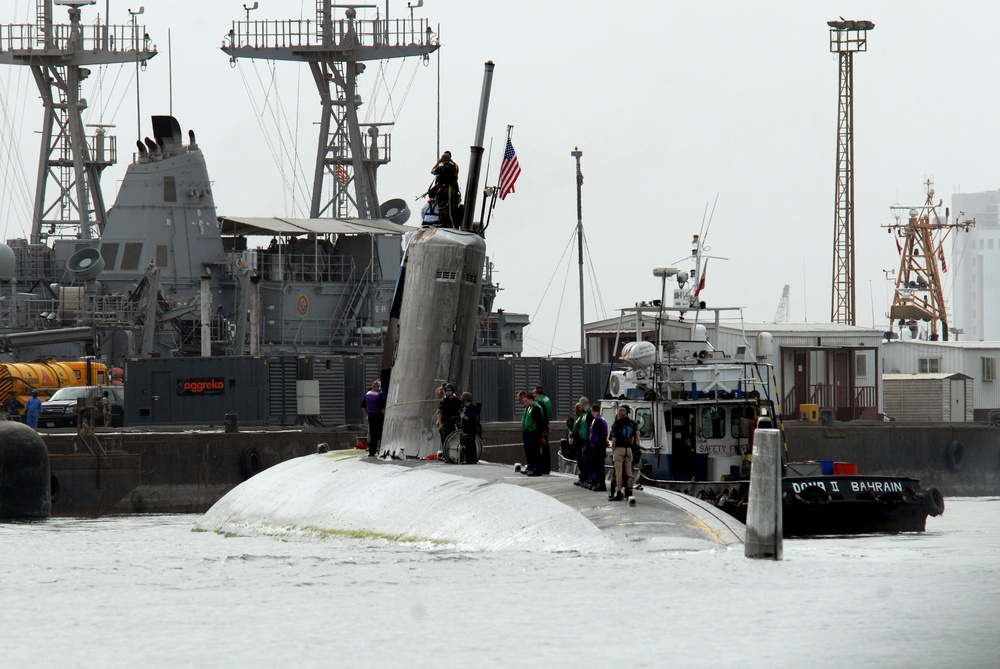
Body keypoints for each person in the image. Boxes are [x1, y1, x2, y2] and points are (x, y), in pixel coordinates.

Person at [609, 405, 639, 501]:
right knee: (629, 473)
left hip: (619, 449)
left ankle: (618, 493)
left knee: (618, 473)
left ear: (618, 414)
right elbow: (633, 439)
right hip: (629, 449)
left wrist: (614, 452)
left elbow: (613, 442)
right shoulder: (631, 424)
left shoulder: (616, 424)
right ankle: (630, 493)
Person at [520, 389, 548, 476]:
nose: (525, 403)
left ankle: (537, 469)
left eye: (526, 401)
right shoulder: (529, 408)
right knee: (530, 451)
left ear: (531, 399)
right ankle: (532, 467)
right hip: (529, 432)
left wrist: (540, 433)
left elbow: (540, 422)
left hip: (535, 433)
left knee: (535, 452)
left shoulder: (536, 408)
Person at [430, 151, 461, 228]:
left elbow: (432, 171)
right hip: (453, 189)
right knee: (450, 206)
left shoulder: (443, 167)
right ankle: (449, 222)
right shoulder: (455, 166)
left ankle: (444, 222)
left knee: (443, 205)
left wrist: (438, 163)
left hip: (444, 190)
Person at [588, 403, 609, 492]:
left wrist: (602, 445)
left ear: (593, 411)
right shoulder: (601, 419)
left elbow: (600, 434)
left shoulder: (598, 420)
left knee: (599, 465)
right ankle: (600, 483)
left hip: (598, 445)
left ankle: (600, 484)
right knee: (599, 465)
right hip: (599, 445)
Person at [532, 386, 552, 475]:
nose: (534, 396)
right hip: (546, 425)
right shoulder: (546, 399)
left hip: (542, 427)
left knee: (542, 448)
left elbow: (542, 415)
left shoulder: (540, 402)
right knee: (545, 448)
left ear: (537, 393)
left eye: (534, 394)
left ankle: (544, 467)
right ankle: (546, 466)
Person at [361, 379, 385, 457]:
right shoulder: (379, 395)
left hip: (370, 416)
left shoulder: (368, 394)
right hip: (378, 415)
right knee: (381, 432)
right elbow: (382, 408)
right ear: (378, 387)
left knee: (372, 433)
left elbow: (363, 406)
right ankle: (382, 449)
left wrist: (367, 413)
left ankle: (372, 452)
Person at [572, 397, 591, 487]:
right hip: (580, 440)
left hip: (584, 440)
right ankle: (583, 477)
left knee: (586, 460)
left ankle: (588, 478)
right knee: (581, 460)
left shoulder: (587, 415)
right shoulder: (581, 417)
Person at [460, 392, 481, 464]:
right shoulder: (466, 408)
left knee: (471, 444)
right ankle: (468, 459)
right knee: (467, 444)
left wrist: (464, 417)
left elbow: (472, 419)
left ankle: (471, 459)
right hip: (466, 428)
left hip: (471, 429)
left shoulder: (472, 408)